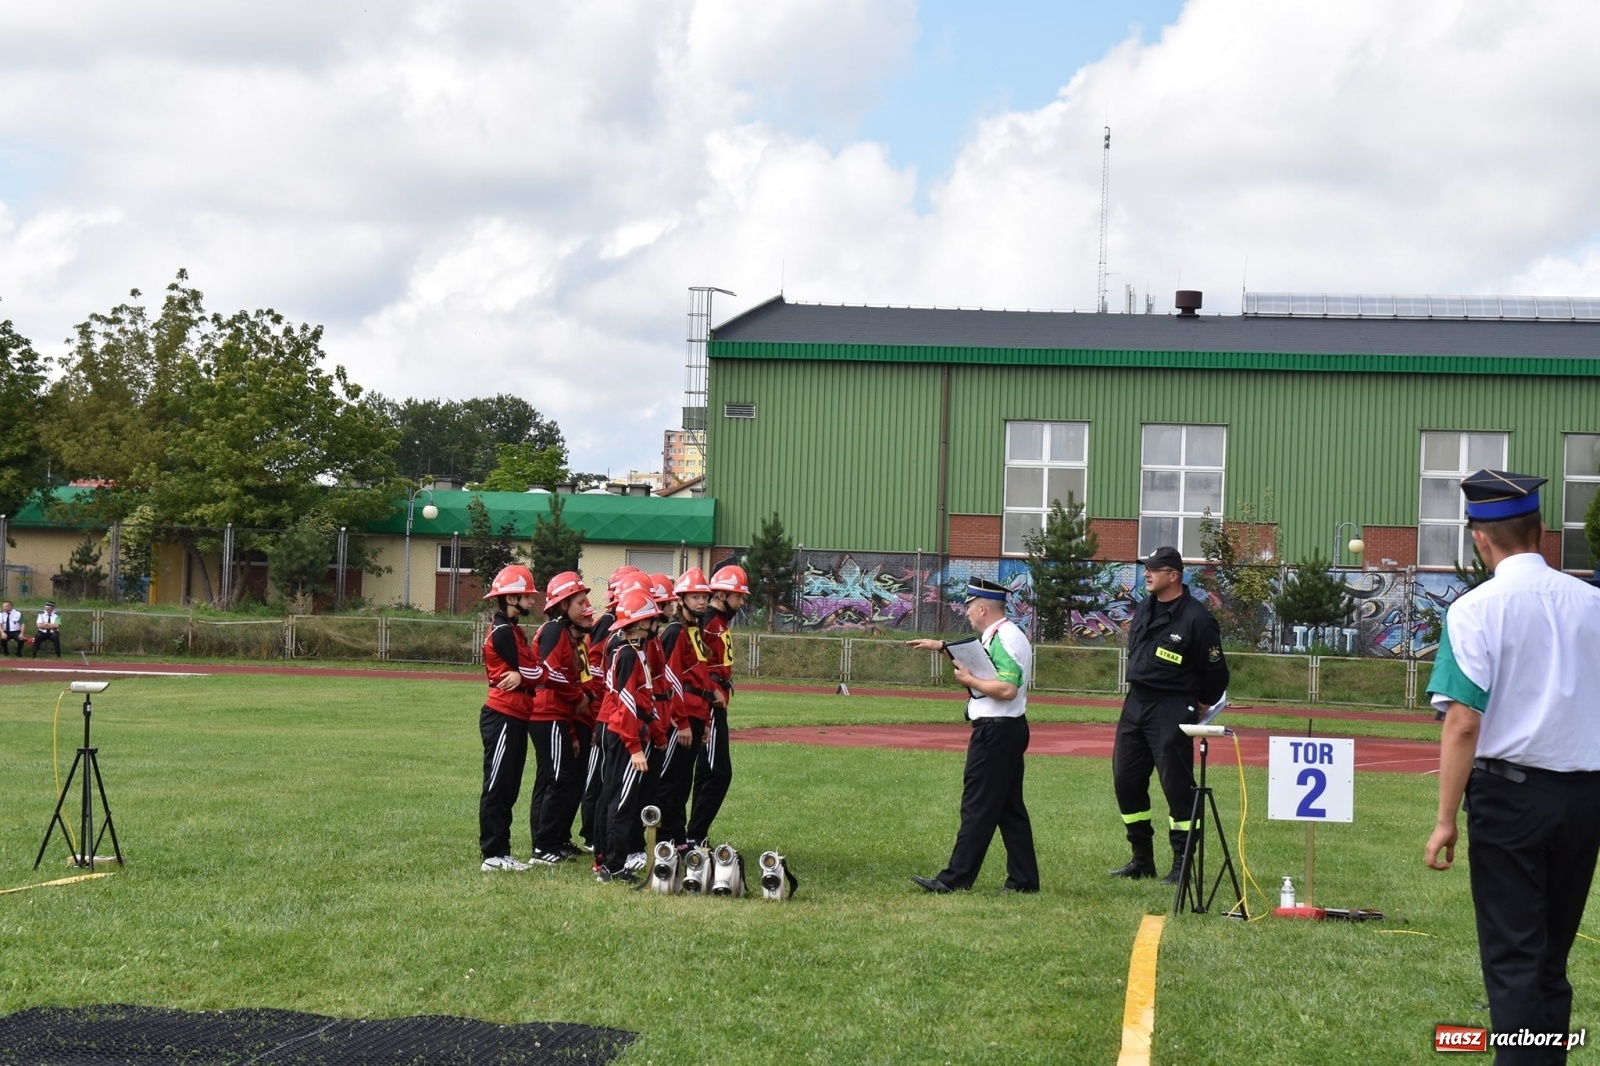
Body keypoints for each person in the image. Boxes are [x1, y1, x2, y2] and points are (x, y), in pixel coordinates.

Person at [1424, 470, 1600, 1063]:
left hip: (1511, 798)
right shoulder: (1593, 603)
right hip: (1585, 800)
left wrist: (1446, 818)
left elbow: (1463, 722)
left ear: (1480, 539)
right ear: (1542, 530)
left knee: (1514, 958)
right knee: (1551, 956)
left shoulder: (1474, 611)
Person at [906, 576, 1039, 893]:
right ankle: (1023, 881)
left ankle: (955, 878)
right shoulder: (1003, 634)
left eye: (968, 607)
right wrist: (941, 647)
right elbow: (982, 661)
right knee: (1009, 811)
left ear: (981, 608)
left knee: (977, 805)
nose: (966, 612)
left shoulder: (1003, 639)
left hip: (995, 733)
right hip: (1007, 730)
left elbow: (1005, 688)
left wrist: (969, 680)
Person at [1109, 546, 1229, 883]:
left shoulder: (1196, 617)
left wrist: (1202, 701)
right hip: (1137, 702)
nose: (1146, 573)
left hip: (1172, 705)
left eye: (1153, 569)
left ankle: (1182, 865)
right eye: (1146, 568)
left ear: (1173, 575)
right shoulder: (1147, 607)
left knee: (1177, 787)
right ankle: (1141, 859)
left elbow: (1217, 671)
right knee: (1126, 780)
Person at [477, 564, 546, 872]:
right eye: (527, 596)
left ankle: (502, 852)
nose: (533, 601)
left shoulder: (513, 629)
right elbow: (537, 671)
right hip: (503, 714)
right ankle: (492, 855)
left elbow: (534, 670)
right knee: (499, 785)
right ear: (511, 598)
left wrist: (526, 674)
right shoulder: (504, 632)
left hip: (516, 714)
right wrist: (526, 674)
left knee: (510, 785)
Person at [593, 588, 664, 883]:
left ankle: (608, 860)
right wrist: (634, 746)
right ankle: (614, 864)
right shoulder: (627, 655)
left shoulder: (633, 652)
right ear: (638, 624)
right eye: (649, 620)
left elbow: (642, 700)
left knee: (615, 797)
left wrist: (656, 731)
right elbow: (625, 703)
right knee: (622, 801)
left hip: (623, 732)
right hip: (623, 734)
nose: (654, 625)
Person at [525, 571, 594, 864]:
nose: (586, 606)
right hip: (547, 712)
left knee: (554, 778)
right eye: (579, 601)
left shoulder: (565, 634)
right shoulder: (554, 630)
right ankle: (544, 845)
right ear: (562, 605)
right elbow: (549, 672)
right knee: (558, 778)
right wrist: (577, 696)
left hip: (557, 714)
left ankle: (553, 839)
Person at [687, 564, 745, 844]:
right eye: (738, 595)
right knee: (717, 773)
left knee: (707, 773)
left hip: (717, 703)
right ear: (722, 594)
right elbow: (697, 664)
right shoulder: (709, 621)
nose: (741, 601)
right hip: (709, 705)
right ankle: (695, 834)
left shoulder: (719, 621)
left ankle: (695, 833)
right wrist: (712, 690)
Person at [660, 567, 715, 847]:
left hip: (696, 715)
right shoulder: (674, 632)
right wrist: (680, 722)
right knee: (670, 780)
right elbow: (670, 679)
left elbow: (700, 678)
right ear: (681, 600)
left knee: (683, 781)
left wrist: (704, 721)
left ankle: (678, 837)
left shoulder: (696, 632)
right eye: (695, 597)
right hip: (680, 720)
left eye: (704, 597)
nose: (702, 602)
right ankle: (665, 837)